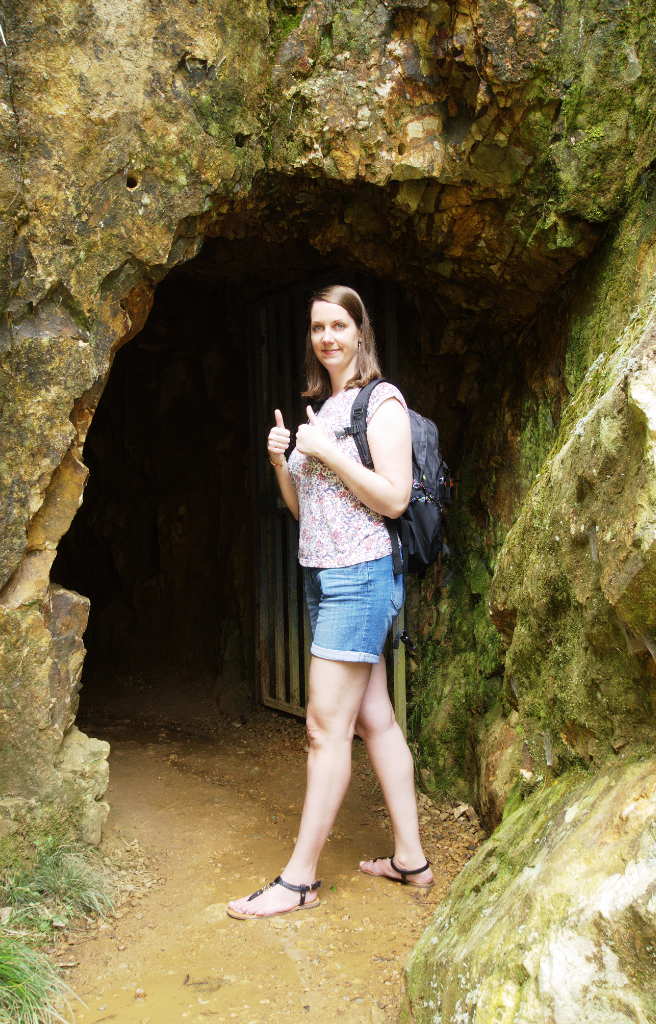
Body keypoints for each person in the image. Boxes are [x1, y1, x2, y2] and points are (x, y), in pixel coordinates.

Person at [227, 285, 433, 920]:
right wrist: (282, 464)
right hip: (324, 575)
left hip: (360, 578)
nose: (327, 338)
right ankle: (411, 860)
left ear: (359, 331)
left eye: (339, 325)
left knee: (324, 729)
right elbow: (305, 512)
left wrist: (328, 452)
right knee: (376, 721)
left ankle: (299, 881)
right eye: (318, 327)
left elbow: (394, 498)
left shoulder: (382, 401)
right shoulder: (325, 407)